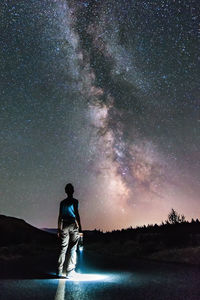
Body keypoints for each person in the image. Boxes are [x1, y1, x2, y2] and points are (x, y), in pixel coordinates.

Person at [57, 183, 82, 279]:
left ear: (65, 191)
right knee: (72, 248)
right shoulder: (75, 201)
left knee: (63, 248)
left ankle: (59, 270)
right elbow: (77, 214)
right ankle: (70, 271)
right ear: (73, 191)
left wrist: (58, 228)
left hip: (64, 225)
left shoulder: (62, 203)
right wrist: (80, 228)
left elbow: (59, 216)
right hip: (72, 224)